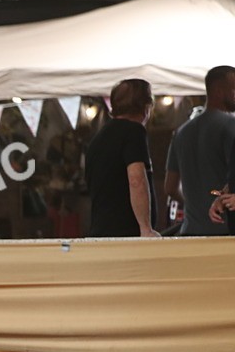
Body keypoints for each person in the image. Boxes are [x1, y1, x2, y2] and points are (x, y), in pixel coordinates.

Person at [164, 65, 235, 235]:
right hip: (224, 229)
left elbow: (170, 187)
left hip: (191, 229)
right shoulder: (230, 126)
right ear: (219, 91)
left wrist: (195, 204)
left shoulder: (181, 131)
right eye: (234, 89)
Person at [85, 79, 159, 238]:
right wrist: (145, 228)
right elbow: (136, 179)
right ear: (145, 106)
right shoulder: (133, 131)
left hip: (100, 230)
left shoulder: (98, 138)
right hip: (126, 232)